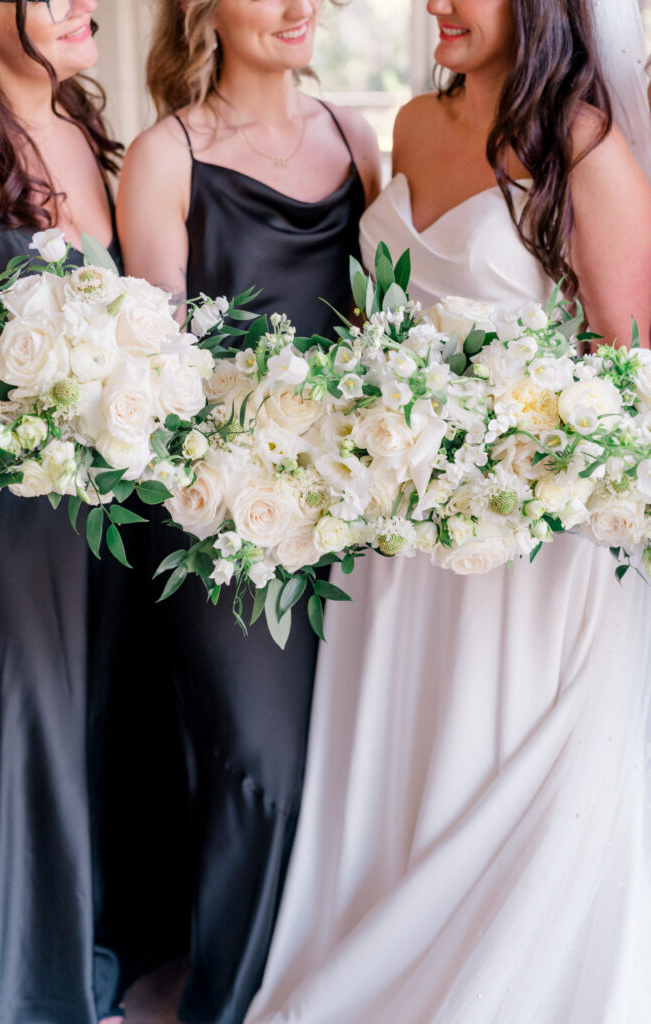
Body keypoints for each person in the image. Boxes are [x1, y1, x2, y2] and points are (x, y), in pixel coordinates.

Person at [244, 1, 651, 1022]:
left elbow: (629, 372)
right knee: (404, 768)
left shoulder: (583, 145)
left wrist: (511, 464)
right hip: (399, 534)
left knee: (496, 770)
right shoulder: (415, 129)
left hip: (524, 545)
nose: (436, 4)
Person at [115, 1, 380, 1022]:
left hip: (350, 514)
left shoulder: (356, 138)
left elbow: (379, 329)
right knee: (264, 770)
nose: (296, 5)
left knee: (344, 767)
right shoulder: (165, 154)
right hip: (222, 520)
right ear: (205, 14)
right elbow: (163, 362)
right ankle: (230, 1003)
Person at [0, 2, 125, 1022]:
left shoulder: (79, 124)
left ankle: (75, 953)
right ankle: (27, 989)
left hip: (94, 502)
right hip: (5, 502)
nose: (82, 3)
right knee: (28, 718)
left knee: (88, 722)